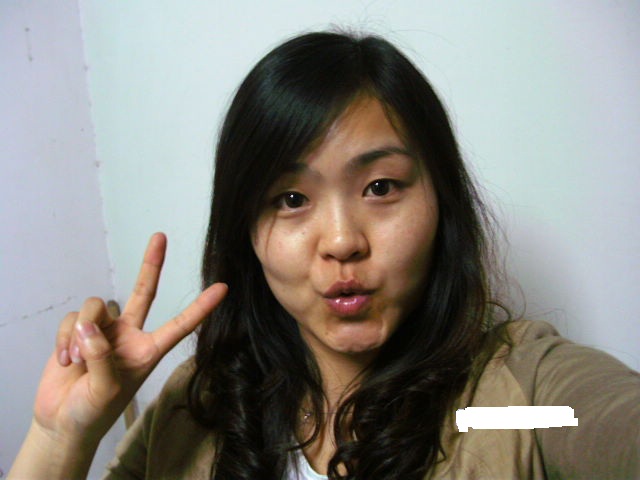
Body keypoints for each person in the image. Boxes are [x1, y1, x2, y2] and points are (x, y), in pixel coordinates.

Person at [9, 31, 639, 480]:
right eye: (290, 199)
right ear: (245, 232)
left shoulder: (505, 407)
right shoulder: (205, 404)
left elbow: (596, 422)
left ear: (441, 201)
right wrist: (60, 437)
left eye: (381, 187)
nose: (341, 241)